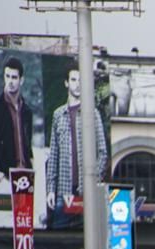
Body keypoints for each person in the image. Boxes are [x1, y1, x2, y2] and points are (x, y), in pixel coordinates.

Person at [45, 64, 108, 230]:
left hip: (86, 193)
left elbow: (102, 152)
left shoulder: (92, 113)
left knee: (89, 240)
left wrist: (92, 181)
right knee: (59, 240)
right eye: (73, 79)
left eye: (81, 80)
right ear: (67, 83)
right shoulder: (59, 115)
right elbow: (54, 155)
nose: (78, 84)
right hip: (63, 192)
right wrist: (50, 189)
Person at [0, 57, 34, 189]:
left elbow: (28, 144)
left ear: (21, 80)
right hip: (5, 177)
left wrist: (32, 168)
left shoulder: (27, 111)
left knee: (25, 210)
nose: (10, 81)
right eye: (7, 76)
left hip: (25, 176)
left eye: (14, 77)